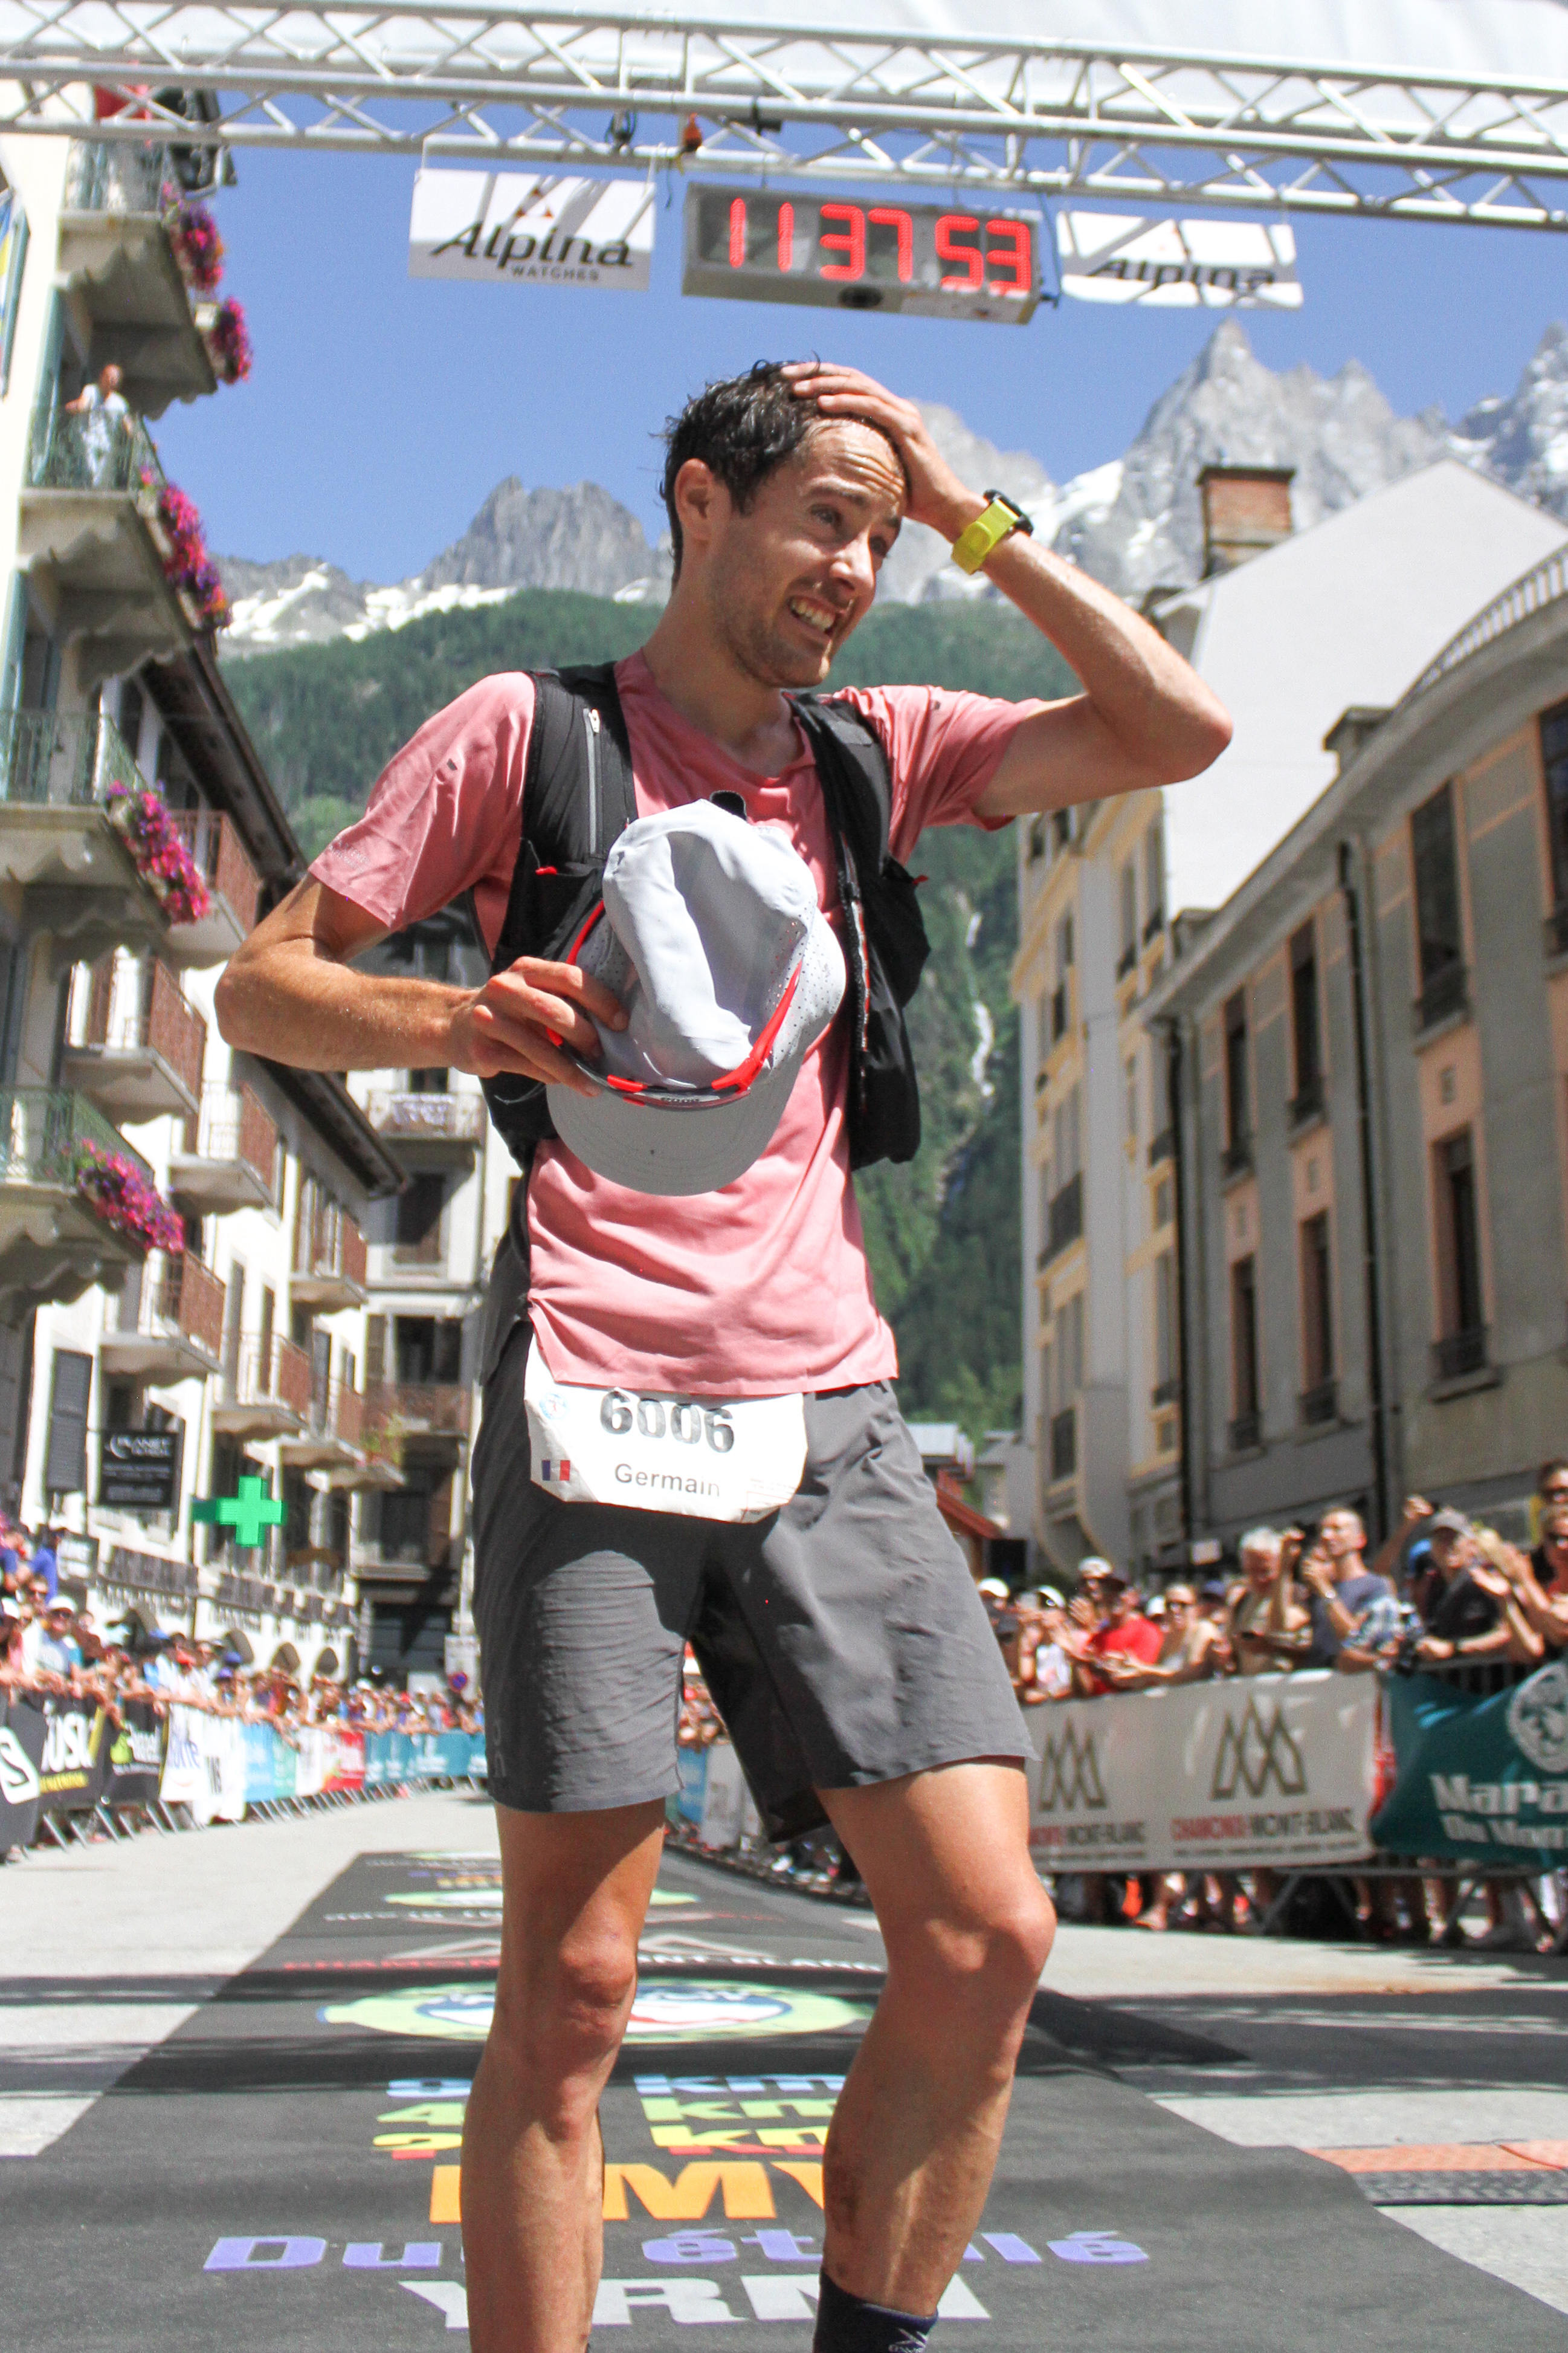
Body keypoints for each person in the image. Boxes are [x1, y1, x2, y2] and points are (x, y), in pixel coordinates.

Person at [214, 355, 1230, 2353]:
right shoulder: (527, 731)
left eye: (879, 532)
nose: (855, 564)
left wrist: (965, 508)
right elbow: (266, 983)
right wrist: (455, 1023)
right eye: (824, 517)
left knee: (986, 1932)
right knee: (576, 1986)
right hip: (594, 1394)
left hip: (830, 1400)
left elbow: (1173, 729)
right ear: (699, 505)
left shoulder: (878, 751)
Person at [1299, 1507, 1401, 1668]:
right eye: (1323, 1531)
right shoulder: (1320, 1590)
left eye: (1337, 1529)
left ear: (1360, 1539)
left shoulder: (1376, 1586)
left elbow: (1357, 1642)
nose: (1326, 1536)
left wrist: (1326, 1590)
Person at [1226, 1529, 1311, 1676]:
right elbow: (1233, 1655)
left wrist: (1269, 1647)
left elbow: (1285, 1628)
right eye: (1251, 1571)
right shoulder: (1241, 1603)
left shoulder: (1297, 1596)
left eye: (1265, 1571)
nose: (1259, 1579)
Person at [62, 363, 130, 485]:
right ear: (102, 377)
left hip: (107, 445)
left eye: (115, 378)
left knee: (103, 479)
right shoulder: (91, 390)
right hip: (89, 440)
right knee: (91, 471)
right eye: (109, 376)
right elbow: (83, 404)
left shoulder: (120, 404)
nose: (111, 380)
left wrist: (136, 435)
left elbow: (128, 425)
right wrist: (77, 406)